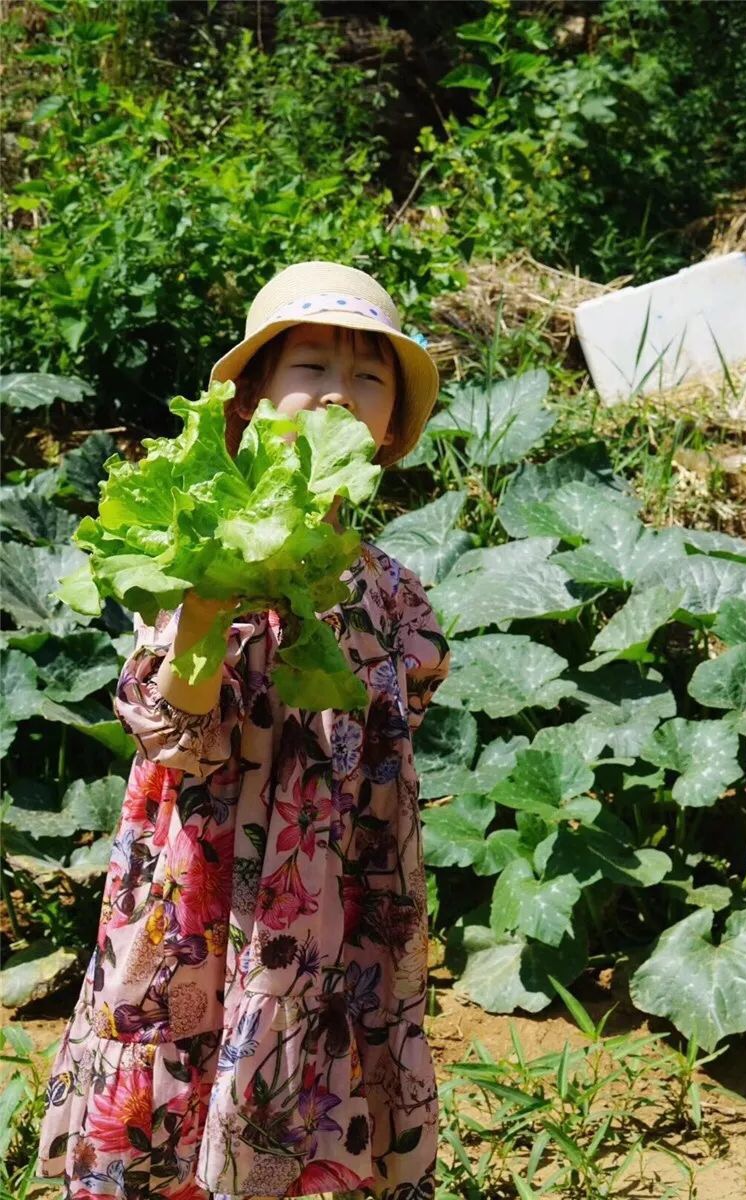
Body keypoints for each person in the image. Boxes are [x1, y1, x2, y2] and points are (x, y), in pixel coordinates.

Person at [36, 261, 451, 1200]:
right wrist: (204, 615)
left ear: (390, 432)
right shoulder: (195, 555)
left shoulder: (389, 586)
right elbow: (174, 730)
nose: (338, 393)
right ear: (251, 402)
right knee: (178, 1055)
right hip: (206, 888)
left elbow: (405, 708)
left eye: (370, 376)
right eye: (309, 367)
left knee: (320, 1061)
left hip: (338, 889)